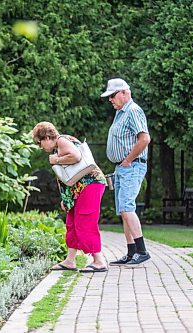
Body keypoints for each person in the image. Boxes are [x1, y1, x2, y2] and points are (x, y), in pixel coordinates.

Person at [32, 122, 108, 273]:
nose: (41, 147)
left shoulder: (61, 141)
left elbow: (76, 156)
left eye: (40, 143)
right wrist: (67, 199)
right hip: (79, 189)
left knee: (85, 220)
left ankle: (99, 260)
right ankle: (70, 260)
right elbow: (70, 178)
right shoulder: (60, 144)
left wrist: (56, 160)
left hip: (90, 185)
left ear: (47, 137)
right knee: (72, 222)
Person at [101, 78, 151, 267]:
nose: (110, 100)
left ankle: (142, 251)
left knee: (127, 207)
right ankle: (131, 252)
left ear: (124, 92)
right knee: (123, 210)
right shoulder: (120, 113)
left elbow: (144, 139)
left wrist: (128, 160)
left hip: (132, 166)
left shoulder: (133, 110)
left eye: (112, 96)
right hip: (122, 167)